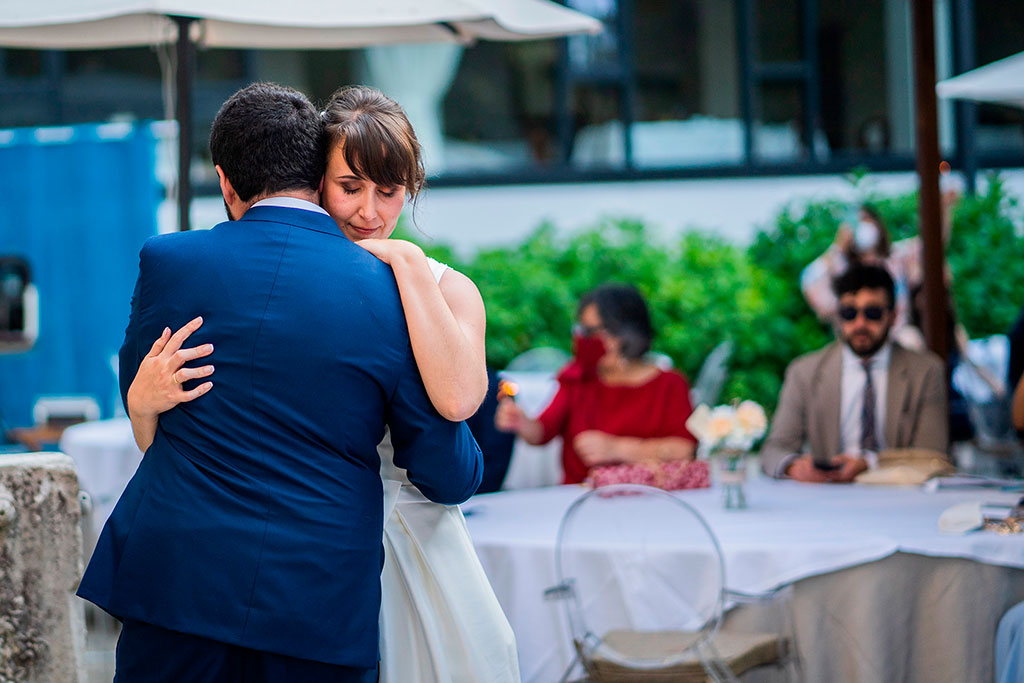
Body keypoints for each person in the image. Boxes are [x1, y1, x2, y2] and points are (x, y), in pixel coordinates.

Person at [77, 82, 484, 682]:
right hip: (319, 594)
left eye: (389, 192)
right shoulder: (387, 299)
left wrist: (140, 406)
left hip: (179, 580)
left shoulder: (170, 262)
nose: (368, 211)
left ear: (225, 181)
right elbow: (450, 473)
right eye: (351, 187)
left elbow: (164, 427)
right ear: (317, 176)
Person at [761, 264, 949, 481]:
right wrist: (793, 466)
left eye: (872, 313)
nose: (860, 324)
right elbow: (774, 450)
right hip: (827, 499)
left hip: (898, 498)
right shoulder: (805, 372)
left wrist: (869, 463)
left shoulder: (925, 371)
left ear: (893, 316)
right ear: (838, 316)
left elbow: (933, 456)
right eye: (849, 313)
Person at [494, 283, 696, 484]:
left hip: (650, 499)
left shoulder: (670, 384)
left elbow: (685, 449)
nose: (588, 340)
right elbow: (541, 432)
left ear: (628, 333)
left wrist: (618, 448)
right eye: (584, 331)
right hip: (582, 499)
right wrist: (522, 421)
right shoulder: (577, 378)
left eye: (596, 331)